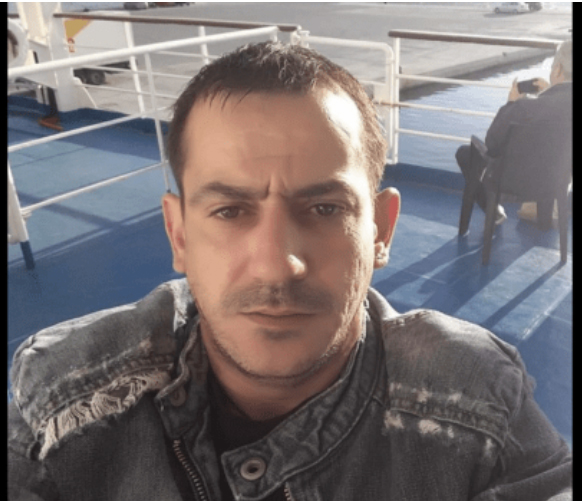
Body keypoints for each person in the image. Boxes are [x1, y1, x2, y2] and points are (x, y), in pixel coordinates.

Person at [9, 41, 571, 501]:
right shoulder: (64, 401)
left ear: (380, 230)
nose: (279, 263)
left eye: (324, 209)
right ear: (179, 235)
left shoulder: (477, 405)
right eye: (230, 211)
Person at [455, 39, 572, 227]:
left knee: (465, 153)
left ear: (558, 70)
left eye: (552, 67)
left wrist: (511, 103)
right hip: (556, 183)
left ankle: (493, 212)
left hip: (514, 184)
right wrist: (548, 93)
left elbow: (492, 144)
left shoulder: (524, 108)